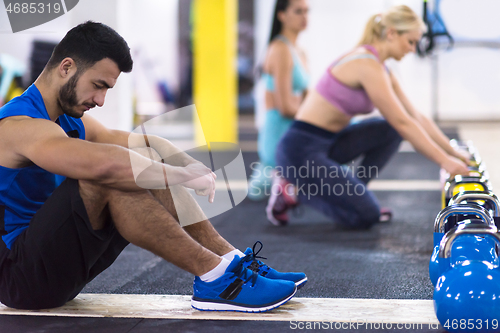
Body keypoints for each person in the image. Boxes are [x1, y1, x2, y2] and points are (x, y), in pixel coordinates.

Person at [0, 21, 307, 312]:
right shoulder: (18, 125)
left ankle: (231, 260)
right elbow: (104, 166)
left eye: (107, 89)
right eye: (98, 85)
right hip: (21, 278)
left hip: (58, 267)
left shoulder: (67, 119)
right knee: (108, 176)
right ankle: (215, 278)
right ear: (66, 67)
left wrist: (187, 163)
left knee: (134, 161)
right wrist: (176, 175)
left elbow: (141, 142)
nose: (101, 100)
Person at [268, 5, 470, 228]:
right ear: (392, 34)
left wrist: (452, 152)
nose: (413, 49)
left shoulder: (383, 69)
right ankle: (293, 189)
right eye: (410, 41)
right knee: (367, 215)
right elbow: (403, 122)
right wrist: (444, 161)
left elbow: (416, 116)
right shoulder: (366, 64)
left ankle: (353, 195)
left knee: (388, 130)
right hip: (299, 150)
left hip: (331, 143)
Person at [247, 0, 309, 208]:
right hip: (279, 133)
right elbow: (285, 107)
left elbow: (309, 99)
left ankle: (283, 180)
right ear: (281, 15)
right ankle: (277, 177)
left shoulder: (300, 51)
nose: (305, 17)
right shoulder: (280, 49)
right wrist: (318, 121)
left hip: (295, 128)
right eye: (298, 11)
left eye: (307, 11)